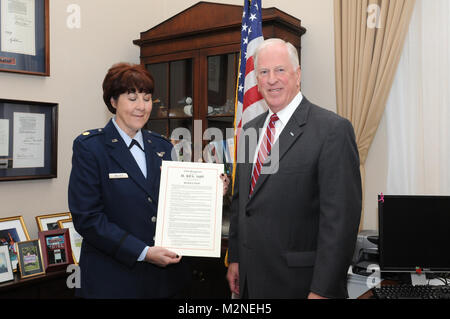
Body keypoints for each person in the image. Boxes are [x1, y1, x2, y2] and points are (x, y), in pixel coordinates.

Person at [68, 62, 229, 298]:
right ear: (113, 102)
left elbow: (177, 207)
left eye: (146, 98)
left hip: (165, 284)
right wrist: (143, 252)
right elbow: (88, 218)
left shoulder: (163, 146)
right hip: (113, 282)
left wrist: (212, 194)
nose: (141, 107)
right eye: (132, 98)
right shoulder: (91, 148)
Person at [226, 39, 362, 299]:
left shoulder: (332, 130)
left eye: (280, 70)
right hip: (250, 281)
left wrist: (322, 290)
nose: (271, 79)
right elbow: (241, 201)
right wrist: (235, 257)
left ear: (297, 75)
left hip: (300, 286)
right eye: (264, 72)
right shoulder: (249, 131)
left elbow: (340, 223)